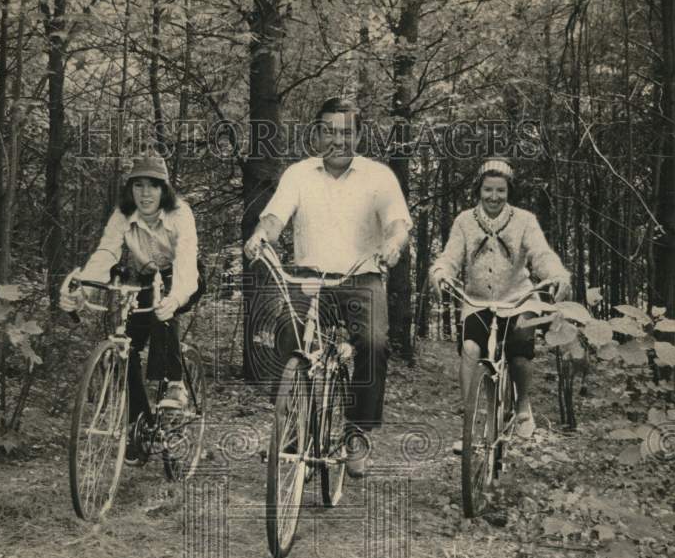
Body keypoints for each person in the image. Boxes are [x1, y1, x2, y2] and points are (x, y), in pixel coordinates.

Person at [243, 97, 412, 478]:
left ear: (359, 134)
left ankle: (357, 434)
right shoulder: (299, 174)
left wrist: (393, 243)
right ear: (318, 132)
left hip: (360, 278)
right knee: (287, 337)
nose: (339, 140)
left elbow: (398, 222)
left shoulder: (379, 176)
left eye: (348, 131)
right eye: (331, 131)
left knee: (373, 342)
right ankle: (293, 433)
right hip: (309, 278)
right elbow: (274, 217)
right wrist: (260, 237)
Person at [429, 157, 571, 433]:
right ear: (478, 191)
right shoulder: (464, 222)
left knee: (519, 347)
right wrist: (440, 272)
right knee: (470, 349)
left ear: (509, 192)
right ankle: (468, 421)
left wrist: (556, 274)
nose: (494, 196)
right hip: (478, 301)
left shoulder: (525, 221)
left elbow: (540, 254)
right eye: (488, 190)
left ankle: (522, 406)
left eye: (500, 191)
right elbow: (450, 257)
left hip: (518, 299)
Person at [60, 154, 201, 418]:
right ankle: (141, 424)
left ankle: (175, 383)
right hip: (147, 278)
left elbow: (186, 261)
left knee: (163, 307)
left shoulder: (180, 213)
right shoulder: (122, 215)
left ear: (164, 189)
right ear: (130, 189)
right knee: (126, 350)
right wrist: (83, 289)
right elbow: (107, 253)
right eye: (139, 185)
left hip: (183, 276)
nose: (145, 194)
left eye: (153, 185)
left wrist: (176, 298)